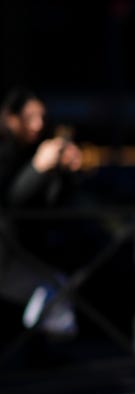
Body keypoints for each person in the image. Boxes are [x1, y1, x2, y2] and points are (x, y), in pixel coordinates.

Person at [0, 86, 82, 338]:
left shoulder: (34, 147)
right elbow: (9, 201)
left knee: (54, 289)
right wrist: (37, 169)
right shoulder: (7, 150)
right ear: (10, 118)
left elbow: (52, 205)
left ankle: (41, 347)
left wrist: (66, 172)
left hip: (29, 250)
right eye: (30, 117)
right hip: (8, 255)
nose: (37, 124)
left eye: (42, 117)